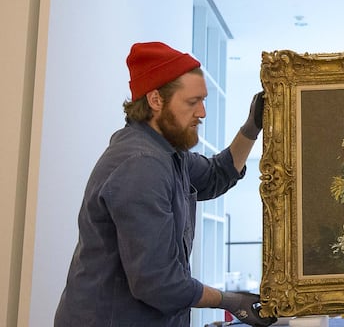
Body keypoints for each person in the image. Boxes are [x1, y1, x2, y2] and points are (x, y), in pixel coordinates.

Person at [54, 42, 276, 327]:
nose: (203, 113)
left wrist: (251, 127)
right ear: (156, 100)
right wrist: (228, 301)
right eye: (192, 102)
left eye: (203, 100)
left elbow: (215, 175)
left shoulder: (168, 154)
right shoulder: (141, 165)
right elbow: (158, 282)